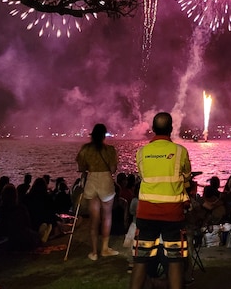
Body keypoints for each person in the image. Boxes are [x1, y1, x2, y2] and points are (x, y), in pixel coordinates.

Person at [129, 112, 191, 289]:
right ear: (171, 129)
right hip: (173, 215)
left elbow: (144, 176)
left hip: (146, 214)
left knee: (140, 260)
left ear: (153, 129)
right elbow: (186, 178)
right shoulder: (181, 152)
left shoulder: (141, 152)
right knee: (175, 261)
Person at [76, 123, 119, 260]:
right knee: (107, 216)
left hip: (92, 180)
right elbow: (113, 170)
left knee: (94, 219)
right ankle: (105, 248)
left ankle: (94, 252)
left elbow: (82, 167)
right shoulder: (110, 150)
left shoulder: (85, 149)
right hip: (105, 180)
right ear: (103, 136)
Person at [0, 183, 41, 251]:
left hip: (6, 236)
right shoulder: (21, 208)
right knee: (35, 235)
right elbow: (28, 223)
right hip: (19, 236)